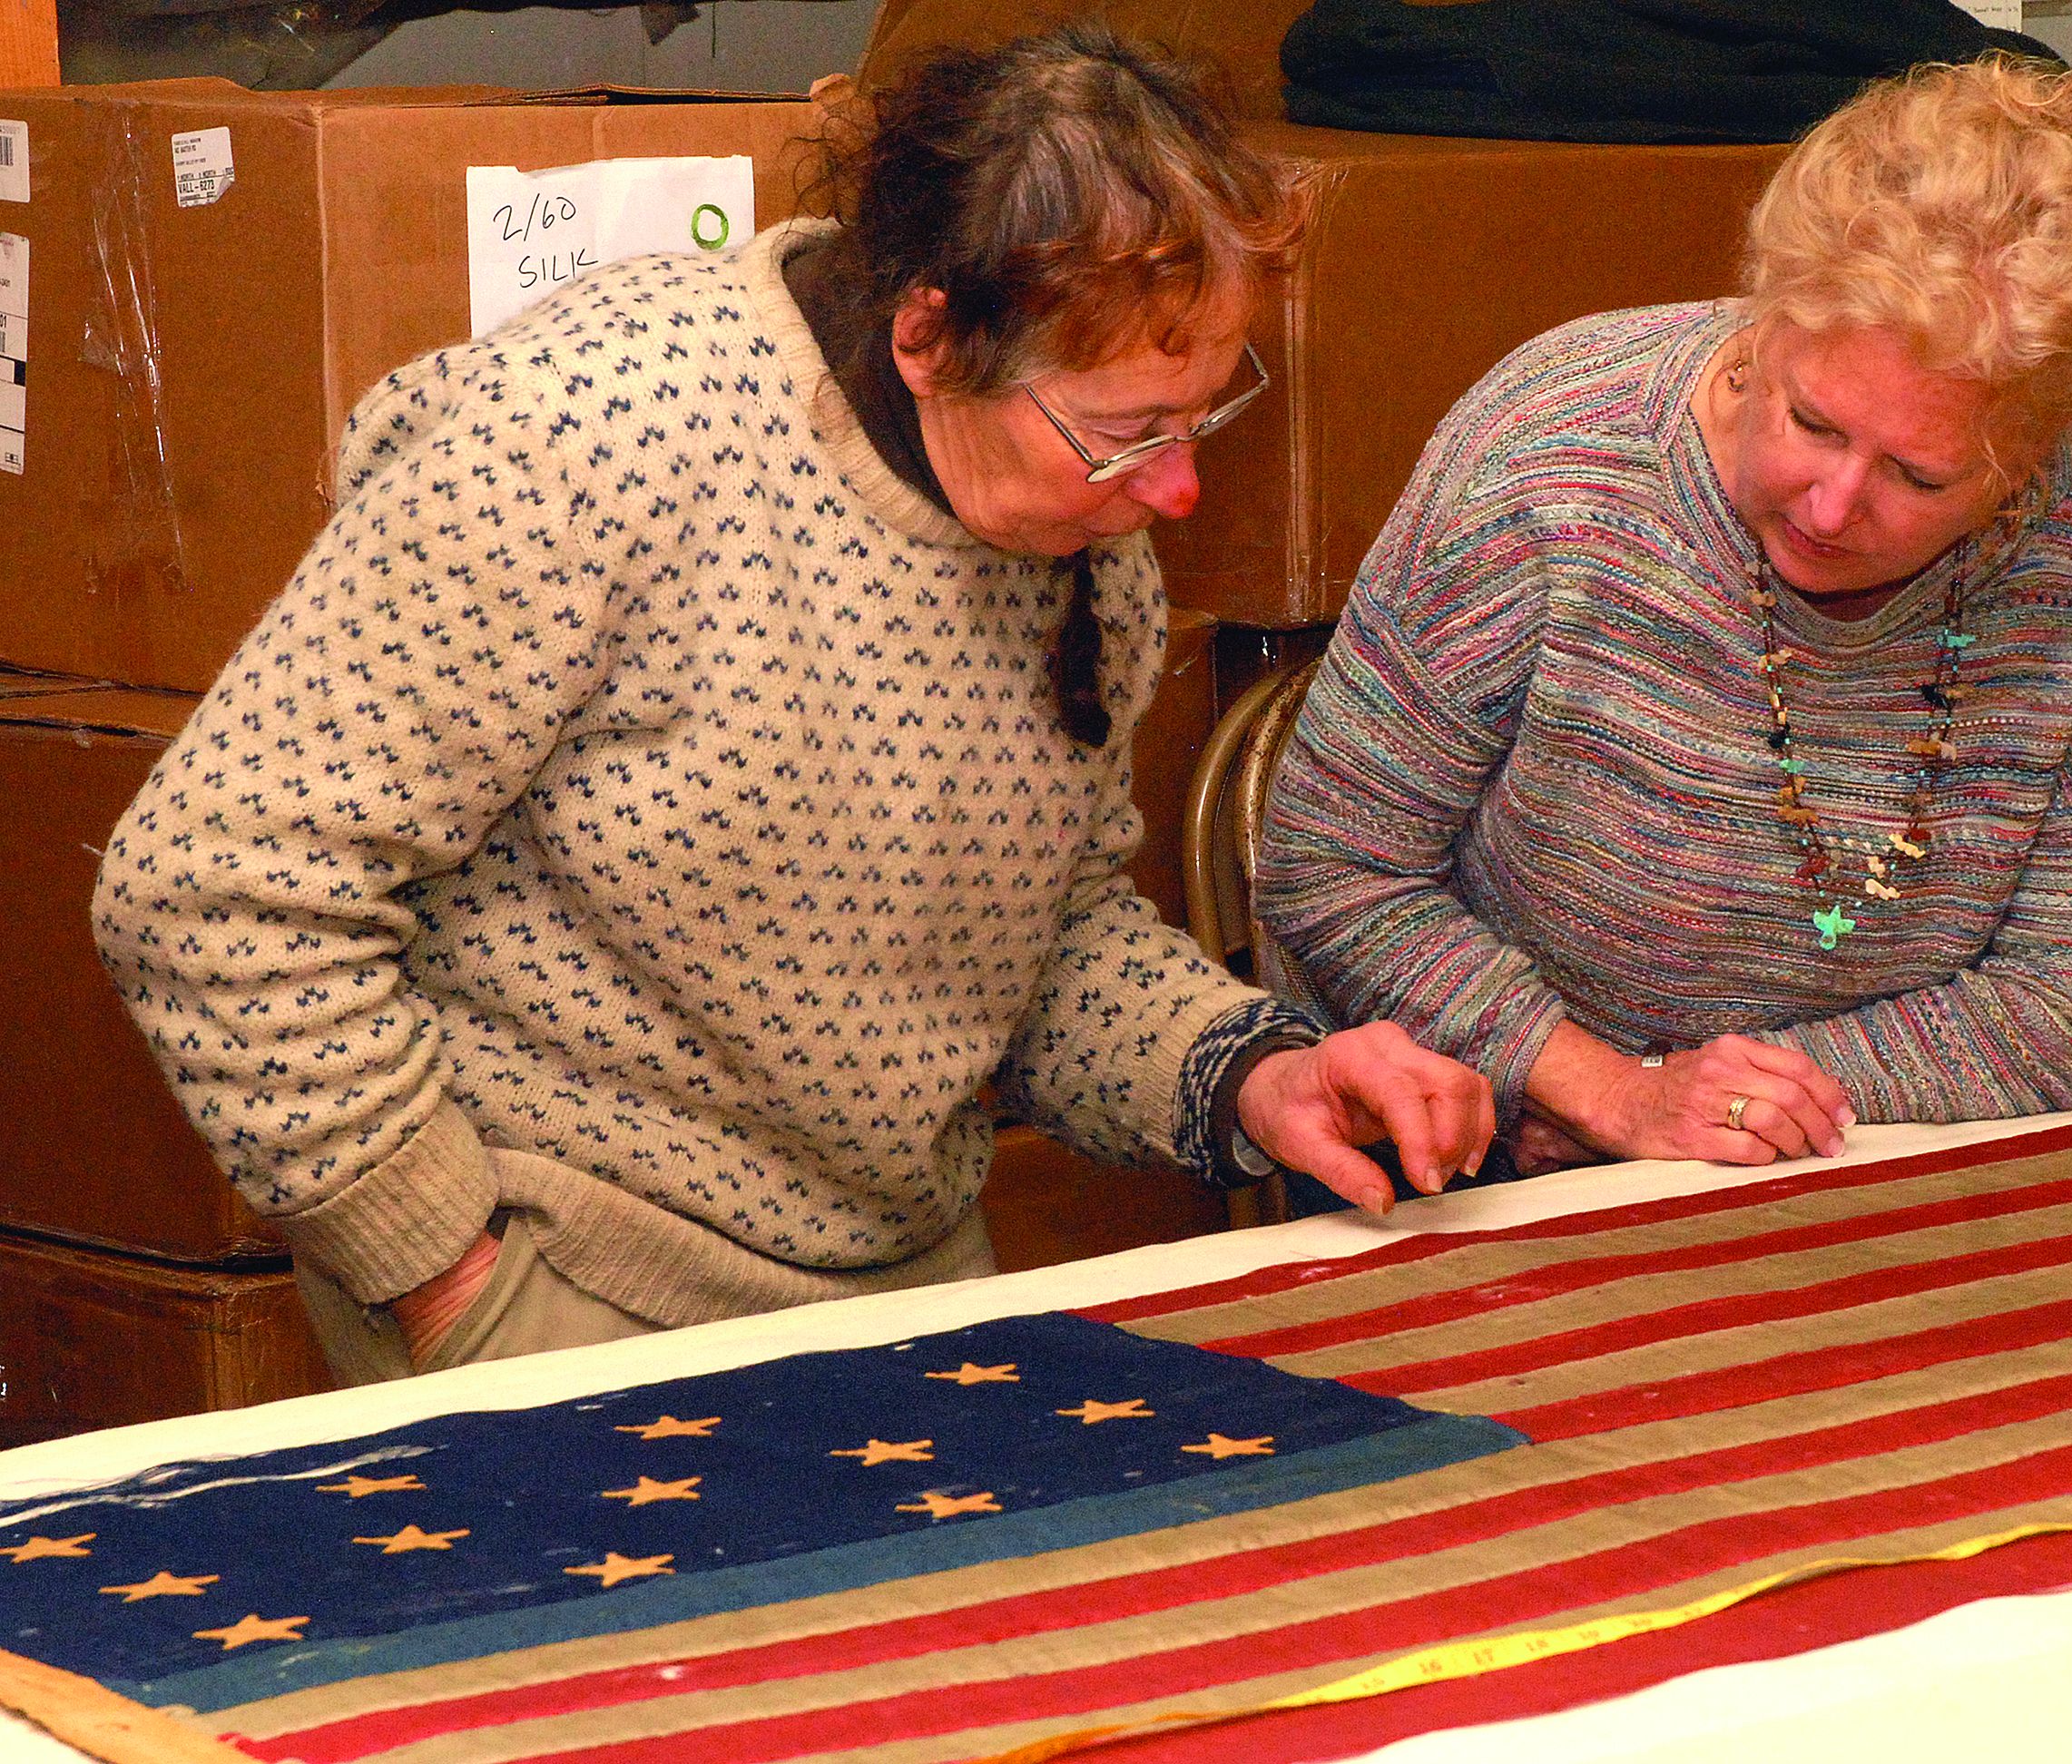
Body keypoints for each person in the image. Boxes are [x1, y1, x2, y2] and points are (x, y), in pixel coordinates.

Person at [92, 26, 1493, 1383]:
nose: (1176, 493)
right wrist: (442, 1268)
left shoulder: (1073, 532)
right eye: (1129, 434)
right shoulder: (591, 433)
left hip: (907, 1290)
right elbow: (214, 890)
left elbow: (1039, 943)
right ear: (930, 338)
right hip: (568, 1285)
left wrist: (1250, 1073)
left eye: (1203, 414)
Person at [1257, 54, 2072, 1196]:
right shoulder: (1554, 454)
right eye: (1809, 420)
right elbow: (1331, 862)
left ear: (2039, 452)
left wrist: (1716, 1104)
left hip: (1869, 1167)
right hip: (1471, 1161)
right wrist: (1597, 1089)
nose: (1834, 505)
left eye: (1921, 475)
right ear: (1764, 306)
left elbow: (2065, 1004)